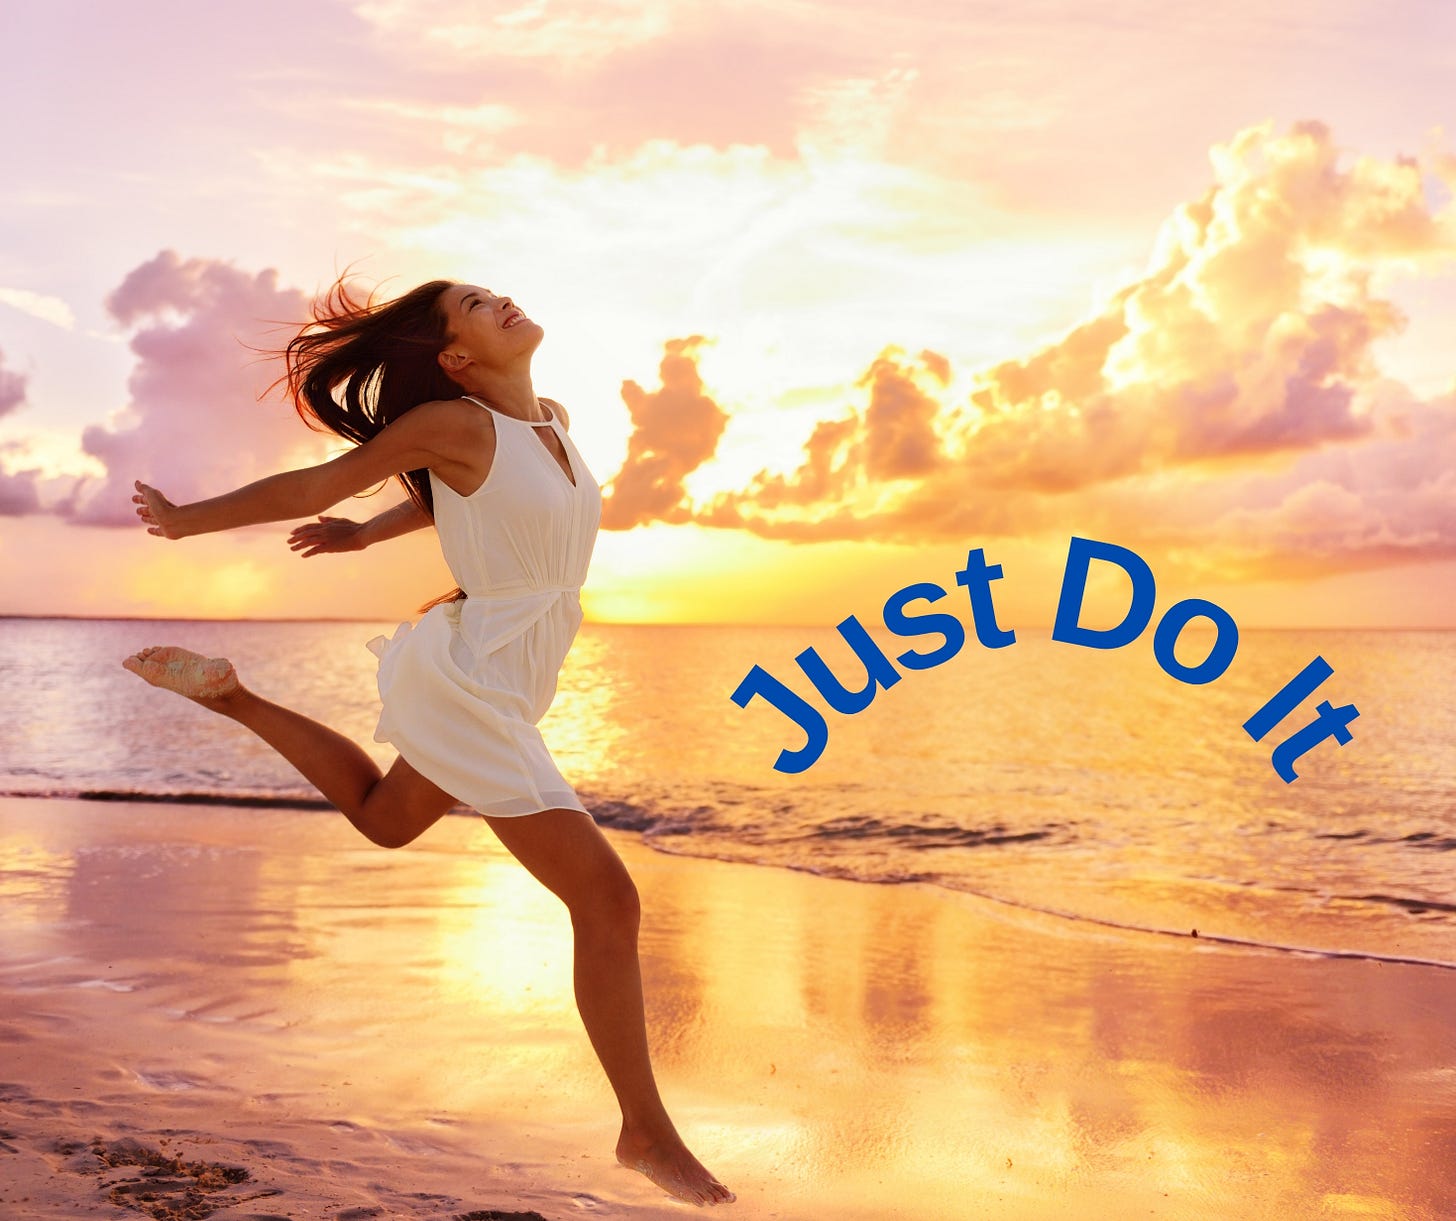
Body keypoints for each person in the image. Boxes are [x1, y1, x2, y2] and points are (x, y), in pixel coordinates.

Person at [121, 275, 734, 1208]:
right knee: (606, 898)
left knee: (387, 817)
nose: (506, 304)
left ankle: (234, 696)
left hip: (517, 670)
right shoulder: (448, 423)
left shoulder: (550, 418)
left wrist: (369, 537)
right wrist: (185, 519)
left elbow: (476, 502)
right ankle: (645, 1132)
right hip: (479, 673)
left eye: (496, 294)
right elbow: (314, 481)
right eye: (480, 308)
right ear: (453, 359)